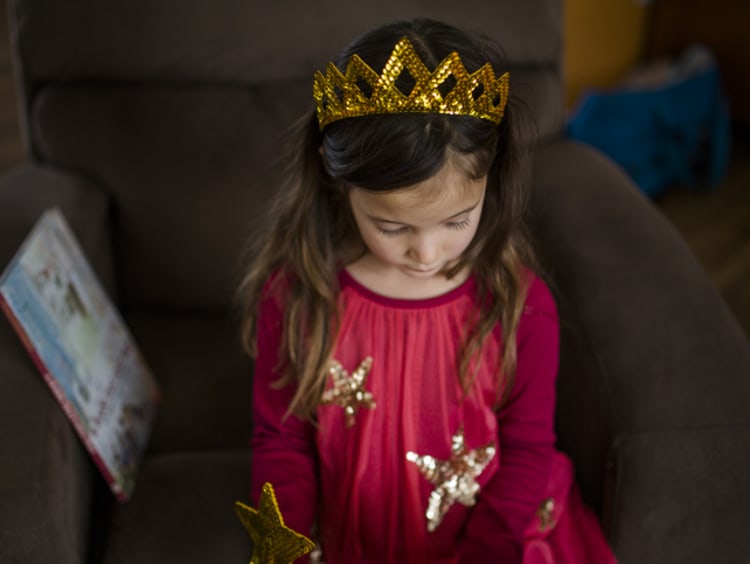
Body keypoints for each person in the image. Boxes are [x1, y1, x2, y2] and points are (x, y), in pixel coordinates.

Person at [239, 17, 617, 563]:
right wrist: (285, 546)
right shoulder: (298, 297)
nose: (428, 252)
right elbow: (281, 443)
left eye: (457, 221)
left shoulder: (520, 304)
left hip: (494, 541)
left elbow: (529, 451)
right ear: (334, 177)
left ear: (492, 179)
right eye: (393, 228)